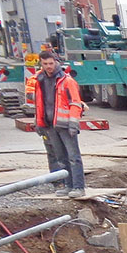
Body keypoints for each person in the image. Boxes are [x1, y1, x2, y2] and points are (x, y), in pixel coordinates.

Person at [33, 49, 85, 198]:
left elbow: (75, 103)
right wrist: (38, 122)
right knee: (61, 158)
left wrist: (73, 123)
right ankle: (68, 186)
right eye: (45, 64)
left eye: (51, 63)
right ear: (41, 64)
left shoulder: (67, 81)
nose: (49, 66)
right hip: (50, 125)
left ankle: (79, 187)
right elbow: (39, 103)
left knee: (73, 157)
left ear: (56, 62)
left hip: (65, 125)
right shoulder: (40, 80)